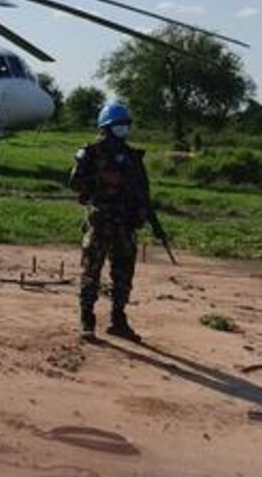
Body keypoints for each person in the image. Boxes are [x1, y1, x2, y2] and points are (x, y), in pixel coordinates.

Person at [68, 101, 167, 344]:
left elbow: (143, 191)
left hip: (126, 224)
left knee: (123, 274)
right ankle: (87, 319)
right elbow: (75, 183)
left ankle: (118, 319)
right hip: (100, 222)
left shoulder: (133, 157)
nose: (123, 129)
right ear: (106, 127)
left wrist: (147, 217)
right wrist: (102, 180)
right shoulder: (90, 153)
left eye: (126, 125)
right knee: (91, 271)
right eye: (118, 125)